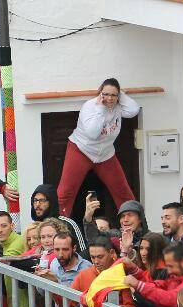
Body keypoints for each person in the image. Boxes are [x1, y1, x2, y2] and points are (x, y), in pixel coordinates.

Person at [55, 78, 138, 218]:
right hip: (81, 150)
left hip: (105, 155)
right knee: (65, 193)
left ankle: (134, 226)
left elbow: (134, 110)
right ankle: (58, 227)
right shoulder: (90, 106)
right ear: (100, 93)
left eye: (113, 95)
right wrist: (100, 109)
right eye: (105, 94)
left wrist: (120, 94)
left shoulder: (118, 107)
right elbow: (93, 133)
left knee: (123, 192)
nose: (109, 98)